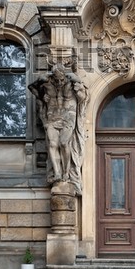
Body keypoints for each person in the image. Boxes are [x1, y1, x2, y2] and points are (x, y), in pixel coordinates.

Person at [29, 63, 89, 194]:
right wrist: (41, 85)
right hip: (52, 117)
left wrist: (77, 82)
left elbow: (82, 97)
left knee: (64, 143)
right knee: (52, 144)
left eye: (61, 78)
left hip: (68, 117)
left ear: (64, 74)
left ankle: (66, 172)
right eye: (56, 78)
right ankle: (57, 173)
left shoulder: (71, 82)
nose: (59, 81)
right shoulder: (47, 83)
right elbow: (32, 87)